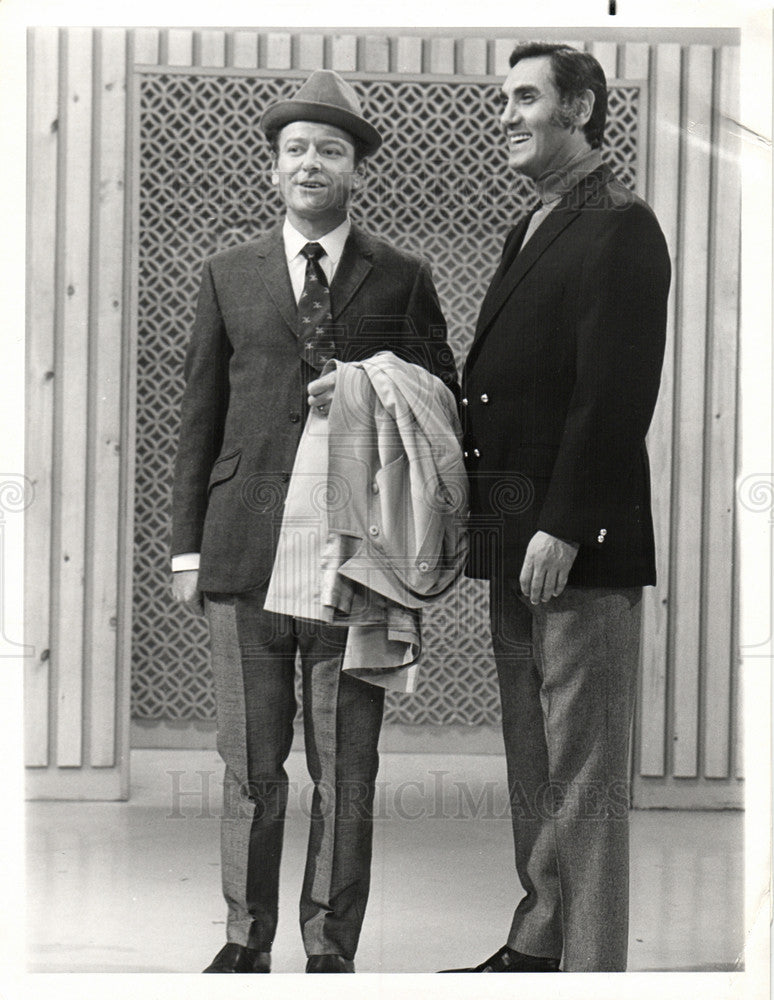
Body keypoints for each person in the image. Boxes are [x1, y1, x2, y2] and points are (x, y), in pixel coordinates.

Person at [170, 69, 457, 974]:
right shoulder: (227, 272)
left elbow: (444, 401)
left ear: (354, 170)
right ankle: (244, 940)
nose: (311, 162)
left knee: (348, 771)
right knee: (251, 766)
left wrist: (371, 383)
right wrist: (186, 549)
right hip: (243, 553)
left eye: (330, 149)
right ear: (273, 169)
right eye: (295, 148)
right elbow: (198, 418)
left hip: (355, 558)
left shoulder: (404, 277)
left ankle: (331, 949)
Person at [450, 43, 671, 973]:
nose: (506, 113)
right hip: (516, 540)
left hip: (572, 547)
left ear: (580, 108)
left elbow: (614, 396)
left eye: (526, 97)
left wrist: (564, 525)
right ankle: (540, 945)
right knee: (535, 761)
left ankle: (591, 969)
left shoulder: (623, 226)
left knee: (582, 776)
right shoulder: (531, 227)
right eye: (504, 98)